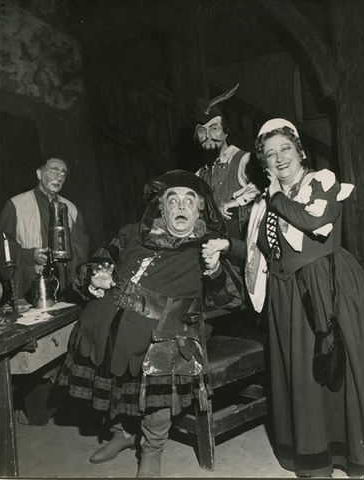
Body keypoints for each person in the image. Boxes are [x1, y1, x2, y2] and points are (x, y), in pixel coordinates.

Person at [202, 119, 364, 478]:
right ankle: (317, 457)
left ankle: (354, 455)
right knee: (303, 379)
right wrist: (226, 245)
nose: (279, 158)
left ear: (300, 152)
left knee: (336, 368)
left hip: (328, 287)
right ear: (263, 163)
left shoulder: (322, 183)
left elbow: (315, 221)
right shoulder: (266, 203)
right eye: (269, 154)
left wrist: (274, 194)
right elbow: (262, 251)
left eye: (285, 149)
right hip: (286, 295)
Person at [58, 170, 243, 477]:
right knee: (101, 352)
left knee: (155, 363)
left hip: (164, 332)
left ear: (200, 209)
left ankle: (151, 450)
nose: (181, 206)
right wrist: (94, 276)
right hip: (105, 322)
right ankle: (120, 434)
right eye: (173, 199)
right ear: (161, 207)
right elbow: (97, 262)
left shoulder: (208, 245)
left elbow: (230, 301)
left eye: (189, 200)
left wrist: (213, 271)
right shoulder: (132, 233)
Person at [0, 156, 88, 302]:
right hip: (30, 282)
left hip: (64, 285)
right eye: (54, 171)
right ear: (39, 174)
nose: (59, 177)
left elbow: (80, 254)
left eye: (63, 174)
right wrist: (29, 255)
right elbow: (2, 243)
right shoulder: (16, 204)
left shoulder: (72, 210)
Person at [194, 84, 261, 240]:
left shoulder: (244, 159)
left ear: (225, 132)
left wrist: (235, 202)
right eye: (202, 131)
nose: (208, 135)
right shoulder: (199, 174)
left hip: (241, 249)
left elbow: (268, 181)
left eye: (214, 128)